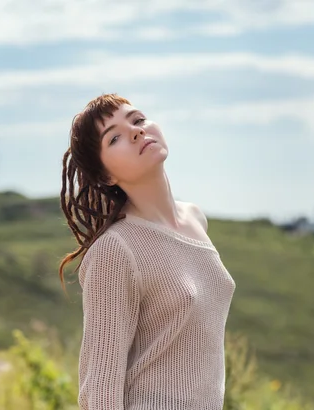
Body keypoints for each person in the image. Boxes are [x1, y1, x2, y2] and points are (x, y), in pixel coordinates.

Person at [58, 93, 236, 409]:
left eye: (138, 120)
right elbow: (98, 391)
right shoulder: (115, 250)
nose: (137, 132)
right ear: (105, 175)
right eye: (114, 138)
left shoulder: (195, 219)